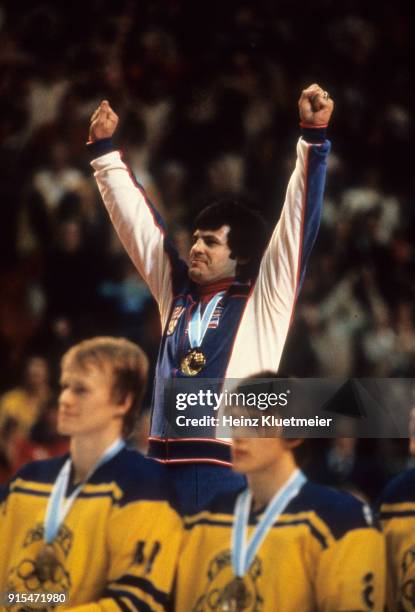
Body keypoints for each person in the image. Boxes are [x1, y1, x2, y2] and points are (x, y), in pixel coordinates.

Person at [87, 84, 334, 513]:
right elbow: (141, 231)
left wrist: (313, 139)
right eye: (195, 240)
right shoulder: (178, 293)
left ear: (240, 255)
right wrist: (105, 154)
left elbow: (296, 224)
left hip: (227, 469)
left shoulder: (264, 299)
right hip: (159, 467)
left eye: (210, 243)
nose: (195, 249)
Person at [173, 376, 386, 611]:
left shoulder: (343, 520)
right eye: (234, 421)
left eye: (256, 423)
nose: (239, 436)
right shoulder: (202, 520)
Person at [0, 337, 181, 610]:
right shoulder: (29, 479)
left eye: (81, 390)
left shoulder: (146, 485)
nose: (64, 399)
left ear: (123, 401)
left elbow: (135, 603)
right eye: (64, 387)